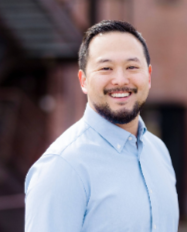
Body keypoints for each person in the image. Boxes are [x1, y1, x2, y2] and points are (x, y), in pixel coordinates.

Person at [25, 20, 179, 232]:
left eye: (132, 67)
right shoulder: (62, 167)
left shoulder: (159, 152)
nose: (120, 79)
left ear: (149, 76)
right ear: (83, 81)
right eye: (106, 68)